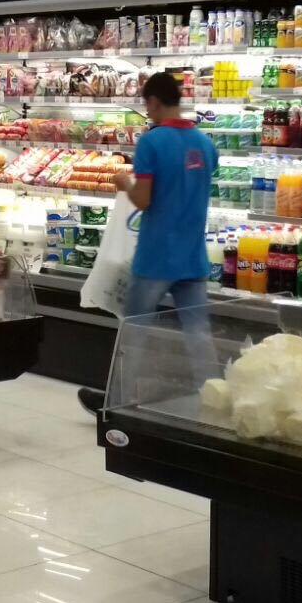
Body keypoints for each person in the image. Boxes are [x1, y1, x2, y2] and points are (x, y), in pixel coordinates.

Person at [79, 70, 218, 413]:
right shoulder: (205, 144)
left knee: (135, 331)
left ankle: (118, 402)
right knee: (198, 333)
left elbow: (142, 200)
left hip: (156, 256)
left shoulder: (152, 143)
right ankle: (217, 399)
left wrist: (124, 182)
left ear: (154, 101)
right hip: (193, 256)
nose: (147, 111)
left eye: (146, 105)